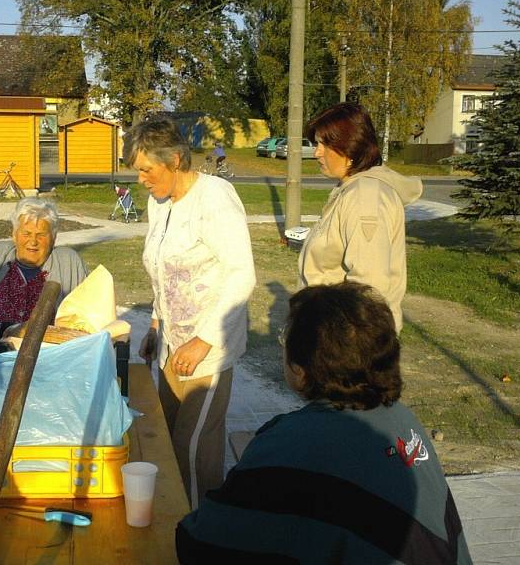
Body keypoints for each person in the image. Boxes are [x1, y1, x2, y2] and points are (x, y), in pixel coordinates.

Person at [177, 282, 472, 564]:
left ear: (303, 370)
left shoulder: (293, 444)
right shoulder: (405, 421)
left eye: (284, 339)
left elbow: (200, 543)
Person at [128, 117, 256, 510]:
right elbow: (162, 269)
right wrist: (154, 323)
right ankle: (174, 521)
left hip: (208, 350)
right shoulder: (158, 202)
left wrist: (203, 340)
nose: (141, 180)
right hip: (171, 344)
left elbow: (241, 273)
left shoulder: (215, 198)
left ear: (177, 159)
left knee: (194, 449)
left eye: (147, 170)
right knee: (165, 440)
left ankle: (203, 533)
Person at [299, 102, 422, 332]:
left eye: (325, 144)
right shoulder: (350, 190)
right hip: (327, 335)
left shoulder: (365, 198)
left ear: (350, 145)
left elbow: (368, 289)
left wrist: (342, 351)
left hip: (343, 344)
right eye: (316, 144)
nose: (317, 153)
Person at [0, 197, 87, 370]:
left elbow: (84, 321)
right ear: (14, 234)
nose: (33, 242)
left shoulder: (68, 261)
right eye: (26, 234)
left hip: (47, 363)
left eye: (41, 235)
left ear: (54, 238)